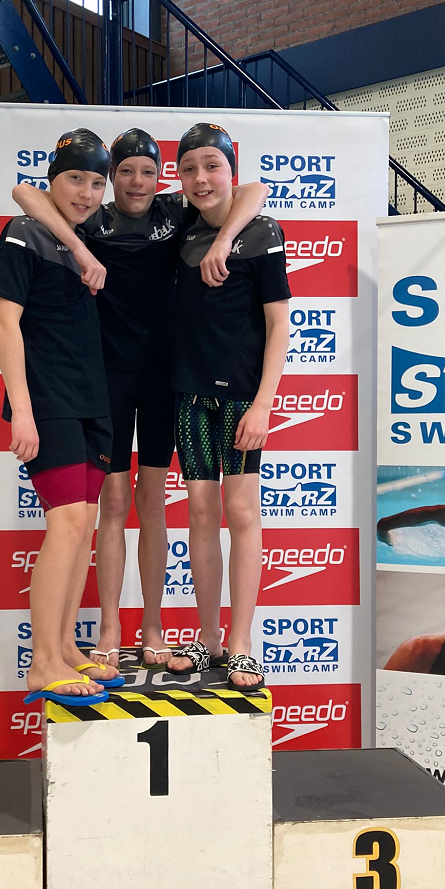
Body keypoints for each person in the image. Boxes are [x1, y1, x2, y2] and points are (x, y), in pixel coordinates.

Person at [12, 127, 269, 667]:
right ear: (111, 178)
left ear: (160, 178)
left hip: (162, 379)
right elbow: (24, 193)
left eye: (148, 172)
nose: (136, 182)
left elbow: (254, 191)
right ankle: (110, 627)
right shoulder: (94, 218)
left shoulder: (176, 213)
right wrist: (79, 248)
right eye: (125, 171)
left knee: (152, 504)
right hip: (103, 380)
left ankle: (152, 626)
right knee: (111, 505)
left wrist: (224, 239)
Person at [0, 127, 123, 707]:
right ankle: (42, 661)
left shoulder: (85, 232)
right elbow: (4, 322)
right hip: (49, 401)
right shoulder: (23, 233)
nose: (87, 193)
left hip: (91, 398)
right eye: (75, 179)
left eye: (97, 182)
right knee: (66, 524)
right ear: (53, 179)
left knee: (83, 525)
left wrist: (80, 245)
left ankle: (66, 646)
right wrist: (21, 410)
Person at [166, 122, 291, 691]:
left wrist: (263, 405)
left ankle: (241, 644)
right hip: (189, 394)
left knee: (241, 515)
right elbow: (248, 188)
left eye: (212, 166)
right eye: (189, 168)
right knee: (200, 514)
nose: (200, 178)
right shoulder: (180, 223)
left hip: (241, 398)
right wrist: (213, 238)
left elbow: (278, 324)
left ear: (229, 170)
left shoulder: (262, 231)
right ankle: (208, 638)